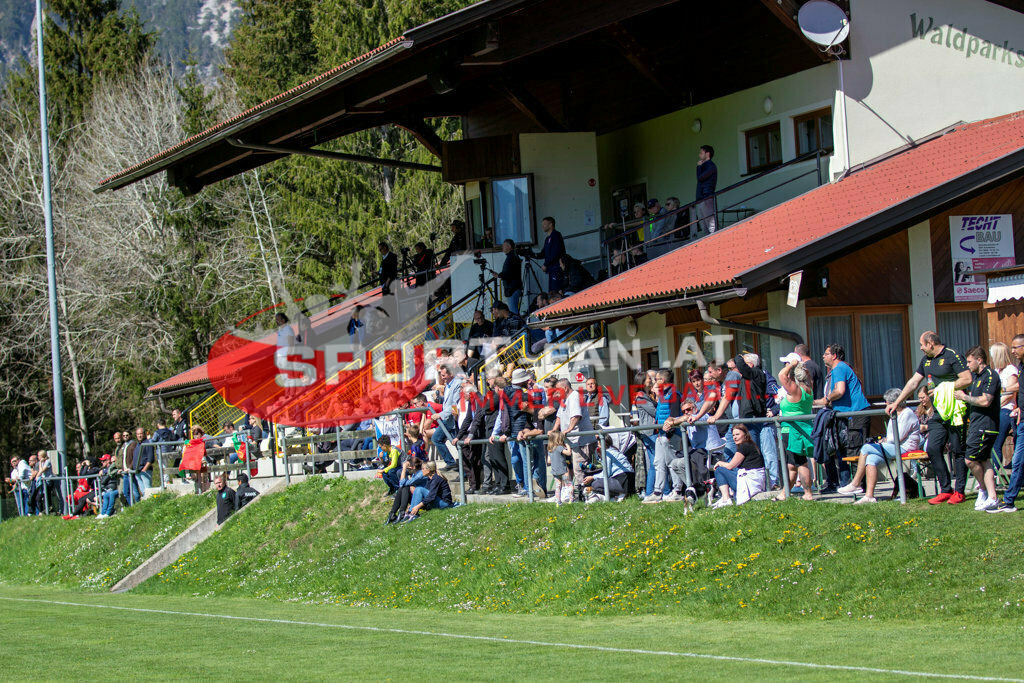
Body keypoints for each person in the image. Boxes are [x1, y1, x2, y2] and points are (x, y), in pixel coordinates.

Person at [886, 331, 971, 504]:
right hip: (938, 412)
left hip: (956, 411)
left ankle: (960, 492)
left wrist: (944, 388)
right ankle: (946, 489)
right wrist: (898, 402)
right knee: (932, 448)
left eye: (922, 344)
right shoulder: (926, 361)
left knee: (957, 450)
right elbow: (913, 382)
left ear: (931, 343)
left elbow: (967, 379)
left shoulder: (952, 356)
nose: (921, 348)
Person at [841, 388, 921, 504]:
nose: (885, 404)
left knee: (866, 447)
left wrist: (884, 440)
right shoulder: (895, 414)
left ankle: (856, 483)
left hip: (905, 448)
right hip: (894, 446)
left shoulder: (907, 413)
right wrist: (885, 440)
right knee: (870, 458)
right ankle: (869, 496)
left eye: (887, 402)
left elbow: (896, 438)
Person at [815, 343, 871, 493]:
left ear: (833, 356)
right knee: (849, 450)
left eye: (826, 354)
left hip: (856, 414)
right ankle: (857, 484)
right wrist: (818, 401)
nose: (823, 356)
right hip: (850, 414)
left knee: (855, 450)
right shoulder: (839, 369)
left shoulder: (839, 368)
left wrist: (827, 398)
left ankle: (858, 485)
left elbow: (839, 391)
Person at [954, 346, 1001, 511]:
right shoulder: (976, 377)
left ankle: (983, 489)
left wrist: (964, 397)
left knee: (970, 460)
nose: (967, 365)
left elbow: (986, 401)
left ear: (979, 360)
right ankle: (992, 497)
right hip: (977, 424)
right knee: (984, 460)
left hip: (985, 425)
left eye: (969, 361)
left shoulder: (990, 376)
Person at [776, 353, 815, 501]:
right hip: (802, 429)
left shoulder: (795, 389)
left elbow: (781, 375)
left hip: (793, 430)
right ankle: (784, 493)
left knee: (800, 462)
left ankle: (808, 493)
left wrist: (791, 364)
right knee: (792, 464)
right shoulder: (807, 388)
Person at [994, 334, 1024, 512]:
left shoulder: (1013, 369)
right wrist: (1020, 406)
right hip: (1021, 418)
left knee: (1019, 460)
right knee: (1019, 460)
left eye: (1016, 347)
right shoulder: (1020, 367)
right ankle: (1009, 500)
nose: (1012, 351)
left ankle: (1009, 500)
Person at [643, 369, 684, 504]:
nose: (655, 382)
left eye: (657, 379)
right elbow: (660, 414)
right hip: (660, 434)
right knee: (658, 463)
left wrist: (669, 433)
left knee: (672, 463)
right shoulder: (662, 395)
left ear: (663, 381)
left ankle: (677, 490)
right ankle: (657, 491)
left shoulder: (674, 394)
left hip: (671, 435)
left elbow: (675, 415)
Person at [551, 377, 597, 488]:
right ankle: (578, 493)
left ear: (565, 388)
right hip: (572, 442)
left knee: (580, 470)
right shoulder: (564, 399)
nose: (556, 392)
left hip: (582, 441)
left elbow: (576, 416)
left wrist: (569, 429)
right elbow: (559, 417)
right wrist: (554, 430)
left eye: (558, 389)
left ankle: (586, 494)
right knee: (572, 469)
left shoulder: (574, 397)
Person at [470, 371, 510, 495]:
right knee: (493, 458)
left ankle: (504, 484)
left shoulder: (499, 395)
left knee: (498, 457)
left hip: (495, 428)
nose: (487, 381)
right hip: (490, 428)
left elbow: (487, 407)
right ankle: (498, 484)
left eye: (489, 378)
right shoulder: (492, 394)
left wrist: (486, 405)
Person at [712, 424, 766, 507]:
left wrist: (720, 463)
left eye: (737, 434)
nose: (735, 437)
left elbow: (731, 465)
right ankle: (726, 497)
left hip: (751, 482)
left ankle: (726, 499)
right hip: (756, 482)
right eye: (733, 435)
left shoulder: (744, 446)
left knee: (720, 470)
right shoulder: (751, 445)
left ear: (745, 435)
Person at [989, 341, 1018, 470]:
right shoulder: (995, 371)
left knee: (997, 442)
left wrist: (995, 404)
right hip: (995, 409)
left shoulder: (1011, 370)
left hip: (1006, 409)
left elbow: (1011, 393)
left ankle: (995, 472)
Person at [631, 371, 660, 498]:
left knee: (655, 462)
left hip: (648, 432)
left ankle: (654, 490)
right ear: (642, 382)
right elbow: (654, 412)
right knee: (655, 463)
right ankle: (650, 491)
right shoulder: (641, 397)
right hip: (649, 432)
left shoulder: (644, 395)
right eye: (649, 378)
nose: (651, 380)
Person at [428, 363, 462, 471]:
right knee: (436, 438)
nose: (442, 378)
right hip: (447, 419)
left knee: (457, 444)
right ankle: (451, 462)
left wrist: (440, 414)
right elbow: (448, 402)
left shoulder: (457, 384)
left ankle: (464, 470)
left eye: (443, 375)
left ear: (451, 374)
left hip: (453, 418)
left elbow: (455, 404)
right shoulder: (448, 385)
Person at [385, 457, 428, 524]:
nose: (407, 468)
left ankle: (401, 513)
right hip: (417, 499)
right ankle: (393, 513)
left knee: (405, 488)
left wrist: (404, 469)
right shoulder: (415, 473)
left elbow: (402, 483)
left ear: (412, 467)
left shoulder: (420, 475)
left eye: (408, 466)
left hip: (423, 501)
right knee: (402, 488)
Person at [490, 239, 524, 314]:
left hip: (512, 288)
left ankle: (517, 324)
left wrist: (499, 275)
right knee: (513, 309)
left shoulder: (511, 257)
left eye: (504, 245)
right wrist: (499, 275)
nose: (502, 247)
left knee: (513, 310)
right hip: (513, 287)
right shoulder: (512, 257)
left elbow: (509, 273)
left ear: (509, 246)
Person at [535, 216, 566, 292]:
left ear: (551, 224)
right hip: (551, 270)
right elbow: (543, 253)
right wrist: (532, 254)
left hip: (557, 269)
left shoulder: (556, 235)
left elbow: (555, 252)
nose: (542, 226)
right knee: (551, 292)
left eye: (545, 224)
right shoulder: (547, 239)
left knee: (556, 292)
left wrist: (545, 264)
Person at [695, 144, 718, 234]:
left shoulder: (710, 166)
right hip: (701, 198)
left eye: (701, 153)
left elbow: (700, 178)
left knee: (710, 225)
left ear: (707, 154)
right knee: (704, 225)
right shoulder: (706, 166)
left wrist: (699, 167)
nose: (699, 155)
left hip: (706, 196)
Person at [546, 431, 573, 506]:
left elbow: (548, 461)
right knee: (569, 484)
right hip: (563, 470)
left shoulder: (550, 449)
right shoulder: (559, 447)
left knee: (558, 486)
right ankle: (571, 499)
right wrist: (567, 445)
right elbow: (568, 453)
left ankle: (558, 502)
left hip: (555, 471)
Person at [96, 454, 121, 518]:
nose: (102, 462)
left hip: (114, 487)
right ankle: (102, 513)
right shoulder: (104, 469)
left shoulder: (112, 468)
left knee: (111, 494)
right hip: (108, 488)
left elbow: (104, 480)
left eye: (103, 461)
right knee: (105, 495)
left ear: (108, 461)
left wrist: (103, 473)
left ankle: (108, 513)